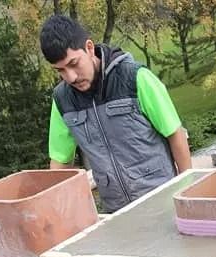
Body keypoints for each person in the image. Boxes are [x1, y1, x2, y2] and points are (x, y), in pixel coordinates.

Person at [40, 15, 192, 212]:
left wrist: (187, 194)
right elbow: (60, 163)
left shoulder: (136, 78)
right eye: (60, 70)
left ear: (89, 48)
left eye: (74, 63)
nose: (71, 77)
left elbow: (175, 134)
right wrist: (55, 210)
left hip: (162, 200)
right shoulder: (62, 100)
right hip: (115, 210)